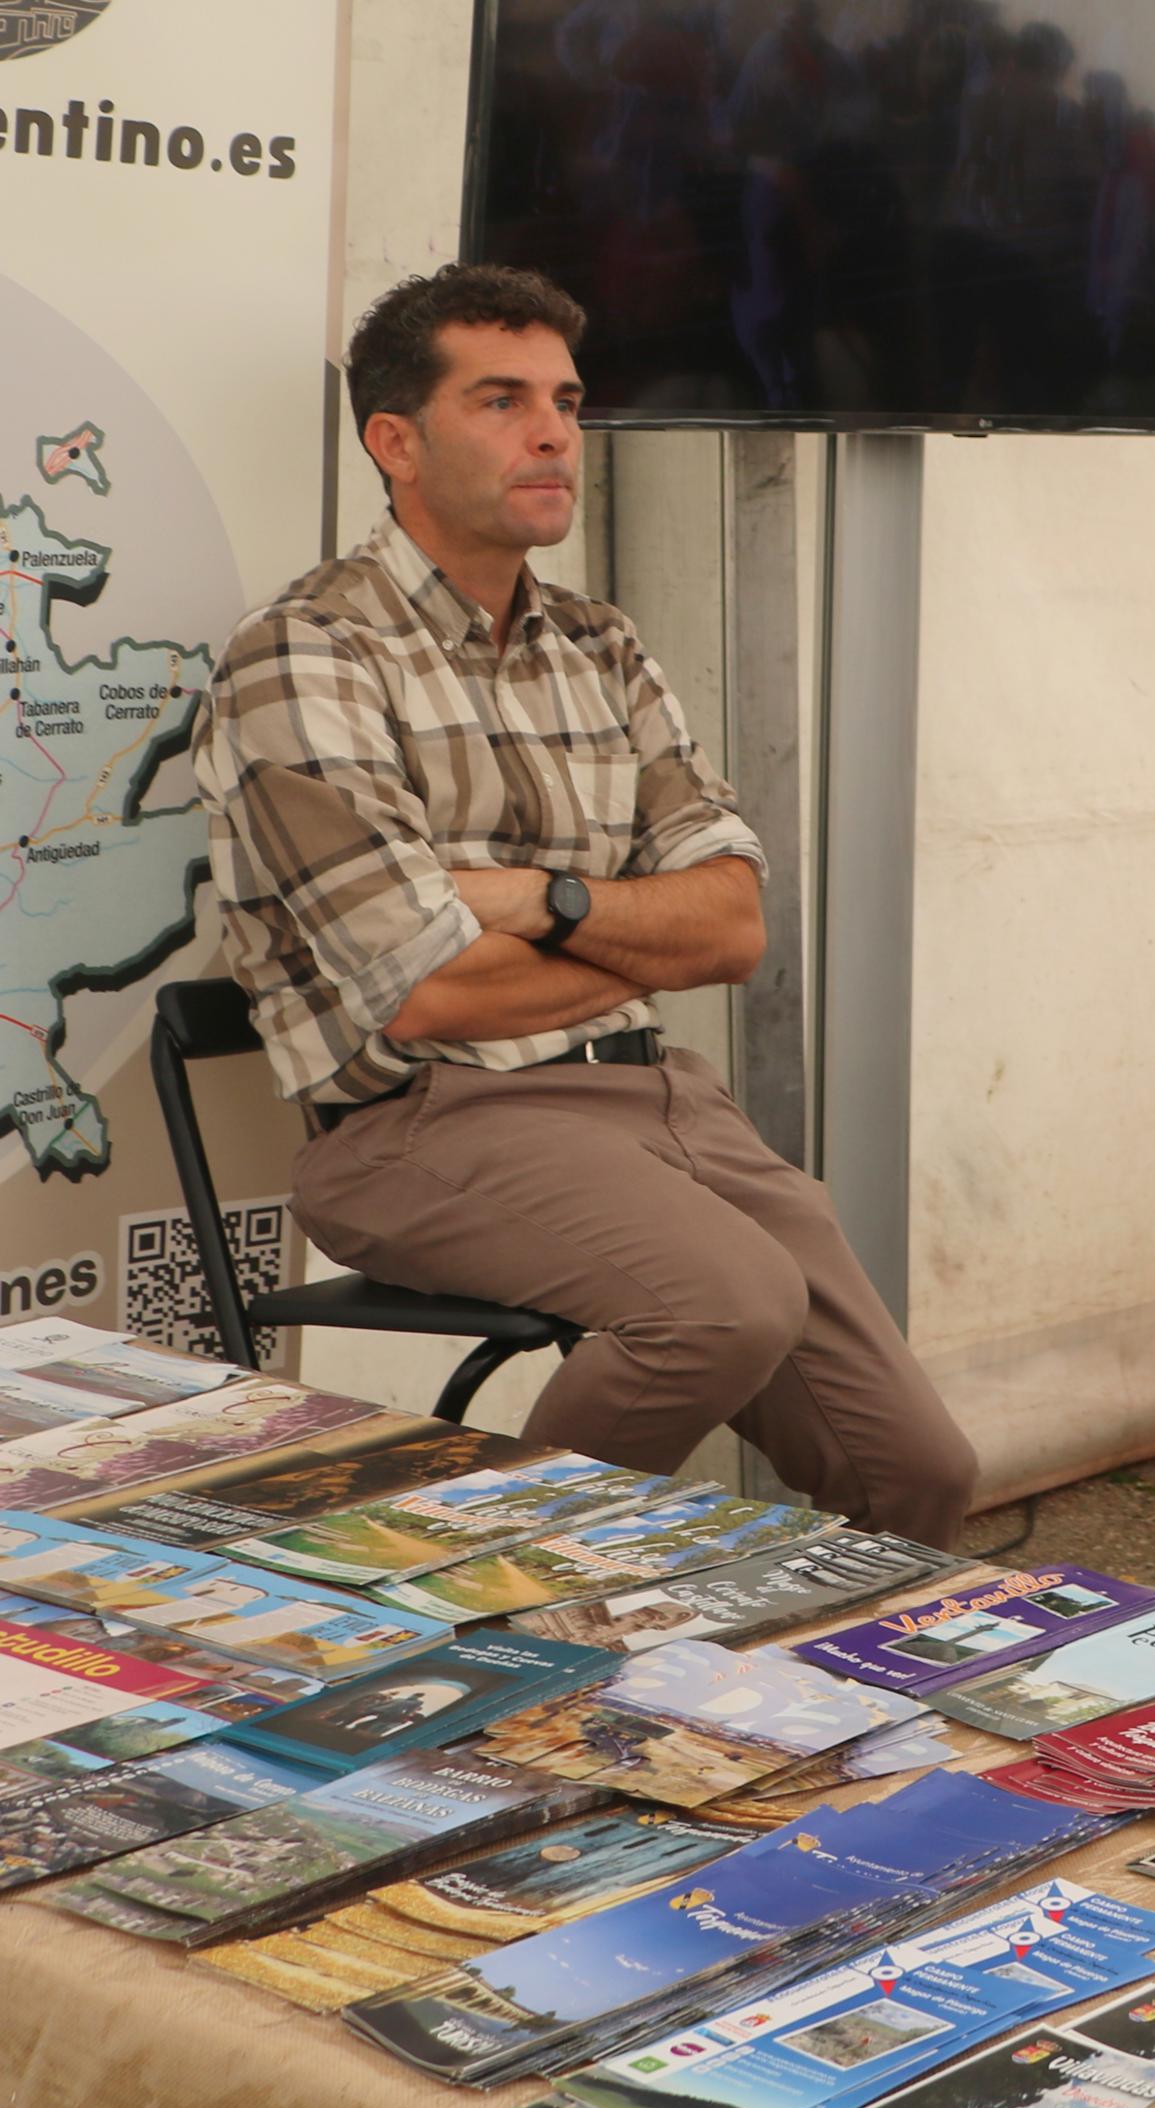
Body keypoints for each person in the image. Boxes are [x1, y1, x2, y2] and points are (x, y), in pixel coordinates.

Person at [193, 264, 976, 1541]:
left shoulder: (599, 641)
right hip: (424, 1120)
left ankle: (805, 1711)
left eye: (564, 397)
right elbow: (435, 991)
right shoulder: (305, 654)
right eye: (501, 400)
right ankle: (457, 1589)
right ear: (396, 440)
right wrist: (633, 935)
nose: (555, 430)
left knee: (923, 1479)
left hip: (659, 1098)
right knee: (722, 1306)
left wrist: (531, 898)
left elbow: (734, 928)